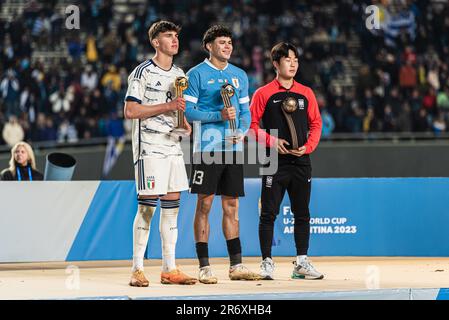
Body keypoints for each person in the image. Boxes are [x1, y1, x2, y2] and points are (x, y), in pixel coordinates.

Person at [184, 25, 261, 284]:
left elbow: (245, 111)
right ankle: (204, 266)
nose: (227, 46)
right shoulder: (196, 74)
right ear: (209, 46)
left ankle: (236, 265)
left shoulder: (239, 75)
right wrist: (218, 115)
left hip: (233, 150)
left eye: (229, 42)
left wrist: (241, 131)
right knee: (204, 205)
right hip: (206, 149)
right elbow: (189, 113)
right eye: (222, 42)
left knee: (231, 206)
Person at [123, 20, 196, 287]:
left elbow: (177, 109)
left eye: (176, 35)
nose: (175, 40)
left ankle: (169, 268)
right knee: (147, 208)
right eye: (168, 36)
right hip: (149, 147)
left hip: (172, 146)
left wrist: (184, 123)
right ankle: (137, 269)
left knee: (172, 209)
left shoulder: (179, 72)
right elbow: (130, 112)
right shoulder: (142, 72)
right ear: (156, 42)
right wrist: (168, 106)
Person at [249, 42, 323, 280]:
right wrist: (271, 141)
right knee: (268, 213)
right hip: (273, 159)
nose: (293, 63)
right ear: (275, 63)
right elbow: (250, 128)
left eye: (296, 60)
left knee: (302, 213)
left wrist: (308, 146)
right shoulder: (263, 93)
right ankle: (267, 262)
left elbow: (316, 124)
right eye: (288, 59)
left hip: (301, 161)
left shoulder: (306, 93)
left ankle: (301, 262)